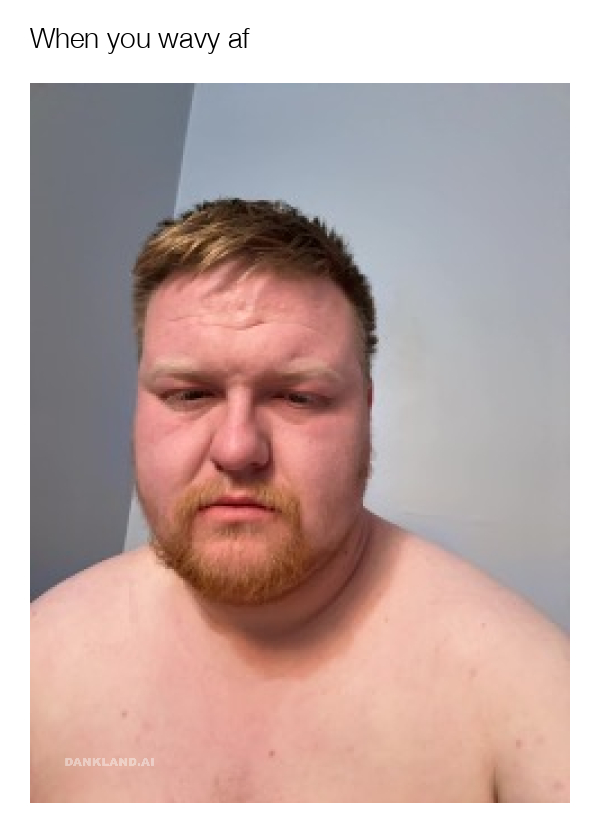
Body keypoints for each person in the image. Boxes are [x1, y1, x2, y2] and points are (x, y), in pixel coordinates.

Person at [30, 198, 569, 803]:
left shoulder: (530, 694)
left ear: (367, 412)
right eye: (189, 394)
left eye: (298, 397)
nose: (237, 449)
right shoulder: (36, 664)